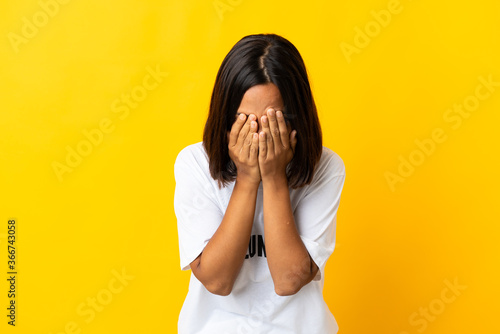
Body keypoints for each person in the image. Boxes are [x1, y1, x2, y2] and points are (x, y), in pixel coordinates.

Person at [174, 33, 346, 333]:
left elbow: (289, 280)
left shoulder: (326, 167)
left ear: (296, 119)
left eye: (272, 120)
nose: (259, 134)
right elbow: (217, 280)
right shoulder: (194, 163)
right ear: (226, 118)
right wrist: (248, 177)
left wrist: (275, 176)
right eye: (245, 120)